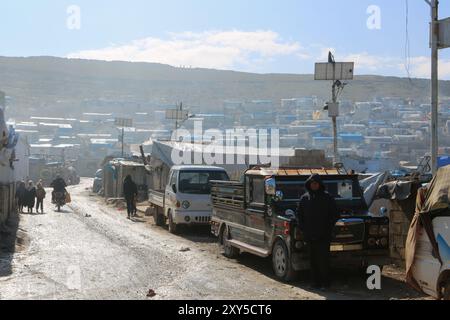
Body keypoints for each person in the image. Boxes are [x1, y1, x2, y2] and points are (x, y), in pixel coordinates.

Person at [297, 174, 339, 289]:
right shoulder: (305, 198)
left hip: (323, 236)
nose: (314, 185)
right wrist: (304, 229)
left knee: (323, 261)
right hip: (310, 235)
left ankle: (325, 284)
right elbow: (299, 215)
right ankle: (315, 283)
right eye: (312, 183)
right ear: (309, 184)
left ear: (319, 184)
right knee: (313, 261)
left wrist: (327, 228)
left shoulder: (327, 198)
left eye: (316, 183)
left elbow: (335, 215)